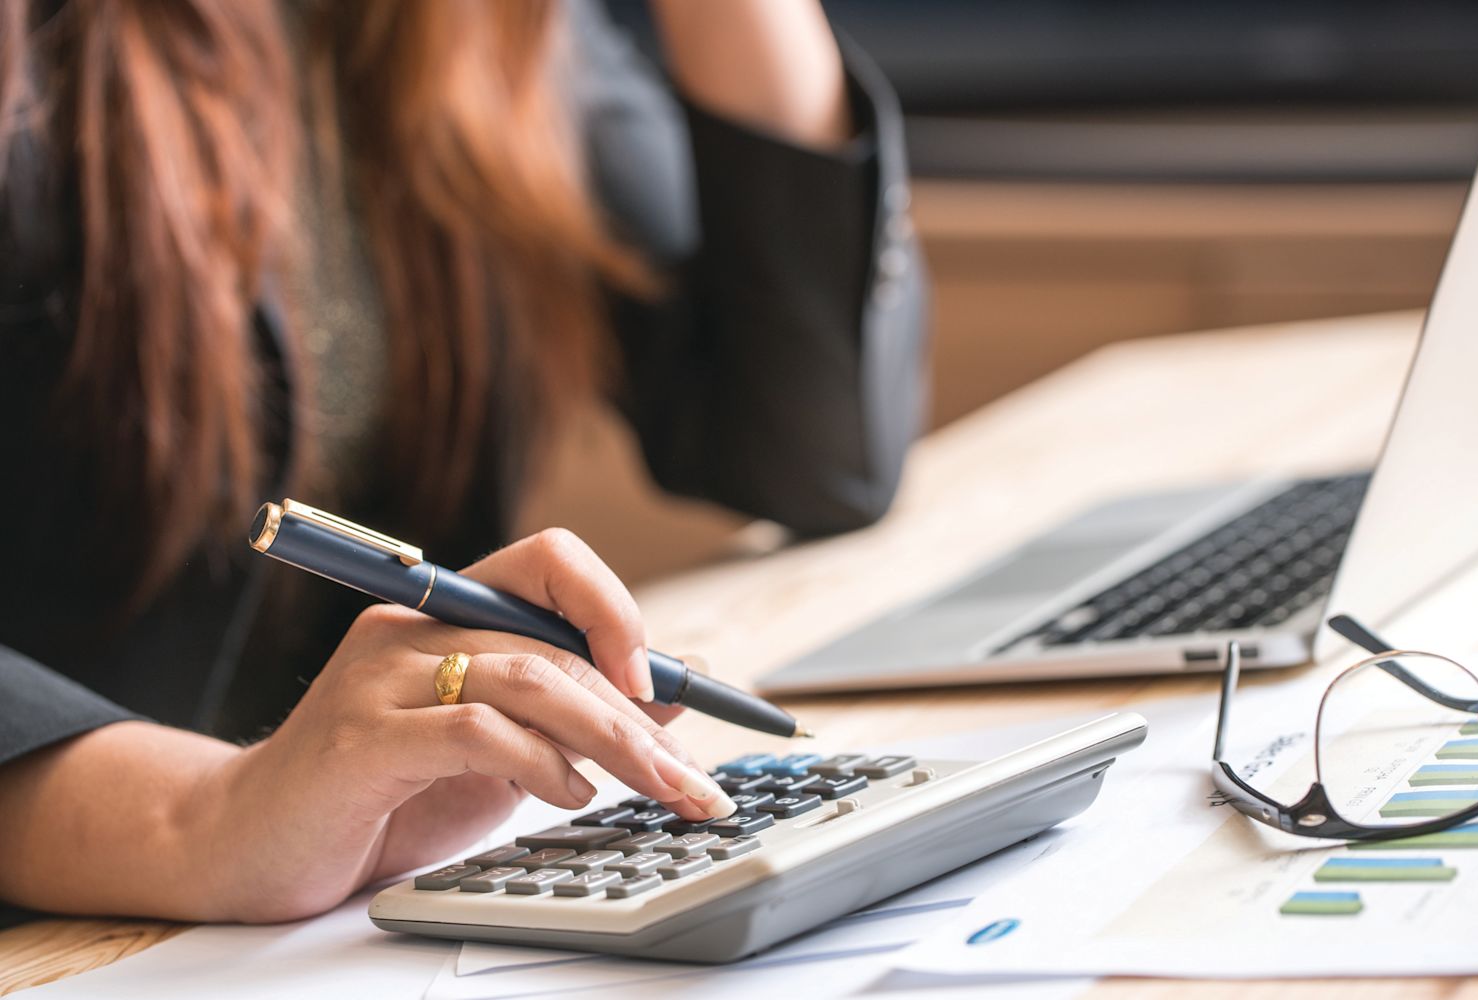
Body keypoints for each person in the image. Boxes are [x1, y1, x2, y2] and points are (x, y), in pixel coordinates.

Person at [0, 0, 926, 926]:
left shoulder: (486, 23)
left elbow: (810, 452)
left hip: (353, 901)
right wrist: (192, 816)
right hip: (83, 921)